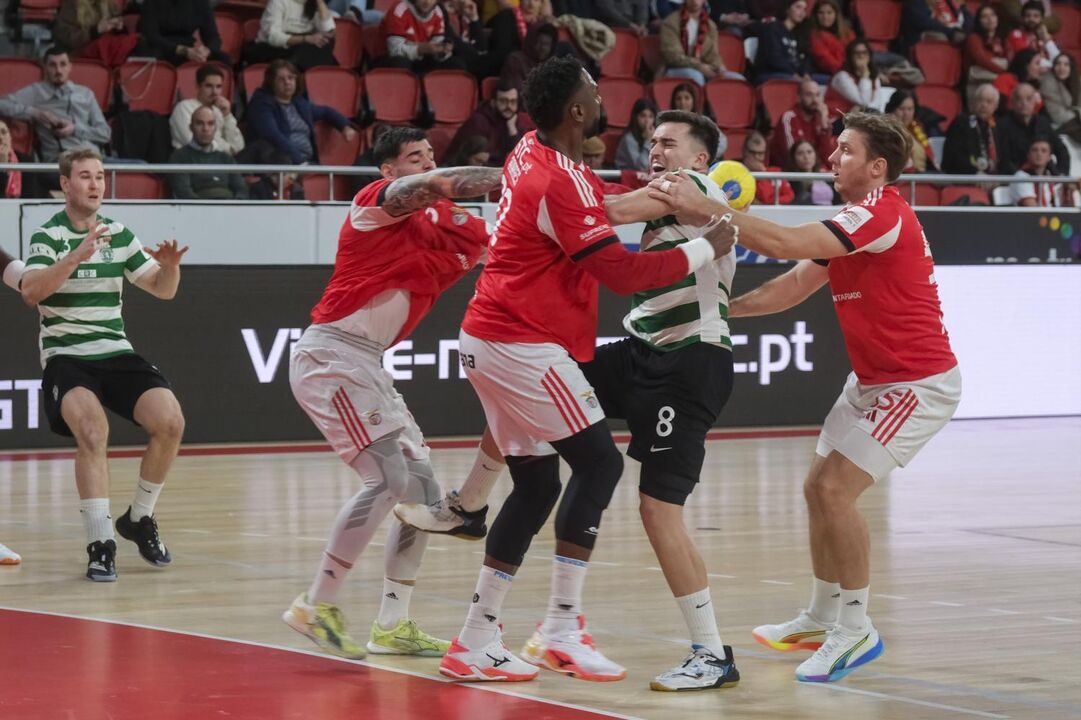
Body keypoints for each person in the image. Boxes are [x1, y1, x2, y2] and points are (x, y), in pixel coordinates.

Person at [434, 56, 736, 683]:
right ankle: (555, 625)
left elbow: (616, 205)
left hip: (642, 355)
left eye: (667, 143)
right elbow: (619, 264)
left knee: (562, 486)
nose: (650, 143)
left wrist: (705, 207)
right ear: (575, 111)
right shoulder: (564, 182)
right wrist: (710, 242)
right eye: (595, 93)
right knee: (596, 463)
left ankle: (482, 630)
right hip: (527, 342)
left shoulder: (539, 155)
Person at [648, 109, 961, 684]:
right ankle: (822, 616)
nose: (833, 158)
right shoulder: (849, 219)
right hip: (870, 383)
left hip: (917, 385)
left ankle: (856, 628)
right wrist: (721, 309)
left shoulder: (880, 213)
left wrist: (711, 206)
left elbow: (787, 241)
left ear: (877, 166)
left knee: (837, 491)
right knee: (817, 487)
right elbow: (791, 286)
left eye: (845, 150)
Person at [281, 126, 503, 660]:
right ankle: (316, 604)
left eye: (430, 156)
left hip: (368, 365)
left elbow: (509, 245)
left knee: (423, 497)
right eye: (413, 159)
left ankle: (391, 624)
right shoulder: (373, 205)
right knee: (386, 478)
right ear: (389, 172)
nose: (426, 166)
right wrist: (517, 175)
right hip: (331, 355)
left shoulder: (449, 224)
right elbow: (434, 187)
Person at [19, 146, 188, 582]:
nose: (96, 184)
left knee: (170, 421)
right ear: (65, 184)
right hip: (66, 356)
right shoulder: (47, 235)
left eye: (100, 176)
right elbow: (31, 291)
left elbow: (161, 289)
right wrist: (77, 254)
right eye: (86, 176)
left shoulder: (119, 232)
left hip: (114, 350)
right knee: (93, 432)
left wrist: (169, 269)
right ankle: (100, 543)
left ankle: (139, 518)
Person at [0, 48, 111, 164]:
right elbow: (2, 104)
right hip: (61, 160)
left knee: (129, 168)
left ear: (70, 67)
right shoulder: (36, 92)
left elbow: (105, 133)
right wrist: (35, 113)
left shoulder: (86, 93)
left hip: (94, 158)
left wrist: (75, 129)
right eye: (53, 65)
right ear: (45, 68)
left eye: (63, 64)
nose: (58, 70)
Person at [246, 60, 358, 167]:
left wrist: (344, 126)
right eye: (281, 79)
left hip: (305, 162)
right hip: (280, 163)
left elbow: (325, 111)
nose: (287, 82)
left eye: (291, 78)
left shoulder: (299, 104)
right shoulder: (261, 104)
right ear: (271, 82)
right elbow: (272, 135)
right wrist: (299, 162)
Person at [444, 81, 535, 168]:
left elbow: (522, 159)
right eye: (503, 101)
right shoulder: (478, 122)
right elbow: (472, 161)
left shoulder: (516, 121)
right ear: (493, 102)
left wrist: (513, 131)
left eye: (513, 102)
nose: (509, 106)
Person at [168, 107, 249, 200]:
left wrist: (235, 207)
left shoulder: (226, 158)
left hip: (229, 209)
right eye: (199, 123)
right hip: (199, 211)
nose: (205, 129)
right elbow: (184, 192)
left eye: (210, 124)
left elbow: (241, 189)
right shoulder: (180, 157)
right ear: (191, 127)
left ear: (215, 129)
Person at [169, 64, 245, 156]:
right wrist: (229, 149)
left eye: (218, 87)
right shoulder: (184, 108)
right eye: (209, 86)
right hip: (191, 163)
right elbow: (196, 143)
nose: (215, 92)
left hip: (220, 163)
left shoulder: (219, 111)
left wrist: (227, 116)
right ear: (198, 86)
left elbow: (239, 146)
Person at [996, 82, 1069, 174]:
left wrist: (1062, 175)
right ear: (1013, 102)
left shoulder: (1043, 122)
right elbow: (1004, 159)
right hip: (1014, 179)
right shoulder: (1003, 125)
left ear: (1035, 101)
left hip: (1043, 176)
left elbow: (1061, 150)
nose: (1024, 103)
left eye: (1028, 99)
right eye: (1019, 99)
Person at [658, 0, 736, 86]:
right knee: (695, 76)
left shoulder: (710, 25)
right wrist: (699, 67)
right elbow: (673, 57)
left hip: (703, 68)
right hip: (674, 68)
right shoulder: (670, 22)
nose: (695, 1)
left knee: (737, 79)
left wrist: (719, 68)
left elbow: (712, 55)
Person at [244, 0, 338, 70]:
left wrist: (320, 2)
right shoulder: (278, 2)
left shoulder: (313, 4)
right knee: (308, 51)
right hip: (272, 48)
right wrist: (305, 39)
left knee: (327, 43)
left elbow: (329, 32)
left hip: (301, 48)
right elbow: (273, 37)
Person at [381, 0, 467, 74]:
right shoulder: (399, 10)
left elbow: (436, 45)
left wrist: (442, 50)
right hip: (388, 59)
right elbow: (394, 51)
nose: (427, 2)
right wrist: (422, 49)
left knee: (456, 64)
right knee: (400, 62)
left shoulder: (438, 12)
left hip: (421, 57)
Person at [769, 77, 835, 171]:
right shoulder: (789, 118)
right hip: (790, 175)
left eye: (817, 95)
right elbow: (793, 157)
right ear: (799, 98)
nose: (815, 100)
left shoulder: (819, 119)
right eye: (809, 95)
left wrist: (824, 125)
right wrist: (819, 169)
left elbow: (829, 159)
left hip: (813, 171)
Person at [137, 0, 230, 65]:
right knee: (150, 53)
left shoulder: (201, 2)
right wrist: (183, 51)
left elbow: (213, 36)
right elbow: (151, 36)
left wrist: (207, 50)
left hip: (188, 47)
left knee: (224, 59)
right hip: (161, 47)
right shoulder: (152, 2)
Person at [54, 0, 140, 67]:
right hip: (80, 52)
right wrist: (95, 30)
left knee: (131, 41)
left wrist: (118, 25)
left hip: (104, 50)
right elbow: (67, 38)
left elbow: (117, 21)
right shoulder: (72, 5)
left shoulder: (109, 4)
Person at [942, 83, 1000, 174]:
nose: (984, 105)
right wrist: (975, 173)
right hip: (966, 176)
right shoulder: (961, 123)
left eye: (989, 102)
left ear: (996, 106)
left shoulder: (997, 126)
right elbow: (955, 158)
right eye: (980, 100)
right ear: (973, 102)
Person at [1008, 137, 1075, 207]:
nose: (1039, 154)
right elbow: (1031, 208)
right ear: (1028, 155)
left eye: (1044, 151)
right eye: (1034, 150)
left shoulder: (1050, 177)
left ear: (1049, 157)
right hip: (1031, 217)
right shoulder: (1021, 177)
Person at [755, 0, 810, 82]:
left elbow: (802, 60)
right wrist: (793, 74)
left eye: (804, 9)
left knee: (822, 80)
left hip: (790, 74)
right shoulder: (772, 28)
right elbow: (774, 59)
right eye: (798, 7)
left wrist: (805, 74)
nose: (802, 12)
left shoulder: (797, 34)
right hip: (770, 73)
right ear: (787, 9)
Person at [964, 3, 1008, 105]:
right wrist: (1003, 71)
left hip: (999, 82)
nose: (990, 19)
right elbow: (981, 59)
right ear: (979, 21)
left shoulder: (1003, 38)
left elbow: (1011, 59)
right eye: (984, 16)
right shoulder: (974, 38)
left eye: (992, 15)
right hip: (979, 84)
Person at [885, 90, 938, 173]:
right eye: (902, 109)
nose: (906, 113)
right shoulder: (887, 132)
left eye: (910, 109)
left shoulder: (917, 128)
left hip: (924, 178)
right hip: (905, 180)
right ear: (892, 110)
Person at [500, 22, 558, 95]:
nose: (542, 48)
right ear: (530, 41)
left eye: (546, 44)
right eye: (538, 42)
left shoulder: (554, 65)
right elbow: (517, 94)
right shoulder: (515, 61)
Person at [830, 39, 887, 111]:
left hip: (861, 118)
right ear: (850, 56)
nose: (861, 56)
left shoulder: (874, 78)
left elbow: (877, 104)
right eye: (857, 53)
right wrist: (864, 76)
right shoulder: (841, 77)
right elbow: (863, 102)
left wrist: (865, 75)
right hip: (838, 118)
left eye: (864, 52)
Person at [898, 0, 971, 54]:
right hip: (924, 47)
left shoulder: (950, 2)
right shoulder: (915, 3)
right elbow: (925, 23)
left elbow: (967, 18)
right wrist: (951, 33)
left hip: (955, 40)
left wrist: (965, 32)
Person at [1005, 0, 1060, 71]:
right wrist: (1054, 66)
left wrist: (1047, 40)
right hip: (1021, 73)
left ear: (1041, 19)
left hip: (1043, 72)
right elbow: (1028, 59)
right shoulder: (1015, 34)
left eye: (1036, 16)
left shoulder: (1044, 35)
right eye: (1028, 16)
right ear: (1022, 18)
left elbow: (1058, 59)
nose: (1031, 19)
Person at [1039, 54, 1081, 144]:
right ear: (1053, 67)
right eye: (1058, 64)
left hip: (1075, 121)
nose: (1062, 68)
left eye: (1066, 64)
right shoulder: (1048, 82)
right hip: (1060, 123)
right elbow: (1058, 115)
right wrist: (1077, 114)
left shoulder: (1077, 81)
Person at [745, 130, 794, 205]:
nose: (757, 157)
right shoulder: (737, 173)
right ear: (745, 152)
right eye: (752, 153)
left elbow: (790, 196)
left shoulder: (776, 172)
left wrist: (763, 173)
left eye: (760, 153)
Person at [806, 0, 853, 76]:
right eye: (821, 13)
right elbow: (827, 62)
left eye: (829, 13)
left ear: (836, 14)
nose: (825, 17)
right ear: (815, 15)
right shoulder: (814, 35)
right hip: (834, 75)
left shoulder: (848, 33)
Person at [787, 139, 835, 205]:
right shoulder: (790, 180)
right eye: (800, 153)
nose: (806, 157)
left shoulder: (824, 176)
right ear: (794, 158)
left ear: (815, 154)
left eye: (809, 152)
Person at [616, 97, 658, 171]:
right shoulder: (628, 139)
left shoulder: (656, 135)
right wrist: (648, 140)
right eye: (643, 116)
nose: (647, 121)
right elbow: (642, 167)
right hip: (628, 179)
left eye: (650, 116)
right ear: (636, 117)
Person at [0, 120, 29, 199]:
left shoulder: (25, 161)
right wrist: (2, 165)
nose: (1, 138)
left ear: (10, 137)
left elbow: (30, 197)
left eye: (4, 132)